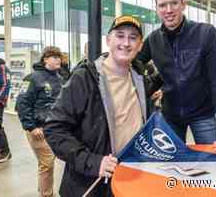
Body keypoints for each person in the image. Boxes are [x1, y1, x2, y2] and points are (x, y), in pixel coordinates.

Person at [44, 15, 161, 197]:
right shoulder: (85, 78)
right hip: (91, 184)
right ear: (108, 41)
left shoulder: (139, 77)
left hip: (131, 176)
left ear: (139, 45)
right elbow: (54, 128)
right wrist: (91, 162)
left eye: (133, 37)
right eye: (120, 35)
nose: (126, 43)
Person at [136, 0, 216, 150]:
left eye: (174, 3)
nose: (169, 10)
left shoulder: (206, 33)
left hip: (203, 115)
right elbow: (132, 63)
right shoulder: (153, 40)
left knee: (212, 161)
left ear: (183, 4)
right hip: (170, 116)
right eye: (163, 5)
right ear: (157, 9)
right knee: (170, 164)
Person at [16, 46, 63, 197]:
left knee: (47, 164)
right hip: (38, 129)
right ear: (45, 59)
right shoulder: (32, 78)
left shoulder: (59, 79)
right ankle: (46, 194)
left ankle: (45, 192)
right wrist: (31, 127)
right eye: (54, 57)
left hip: (54, 128)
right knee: (47, 163)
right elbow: (22, 104)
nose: (58, 60)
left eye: (59, 57)